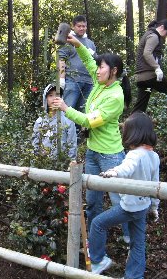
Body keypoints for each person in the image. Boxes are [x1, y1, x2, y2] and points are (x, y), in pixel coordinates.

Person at [52, 34, 132, 242]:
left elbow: (91, 121)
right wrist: (77, 43)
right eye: (97, 68)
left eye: (102, 68)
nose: (97, 70)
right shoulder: (99, 83)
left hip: (111, 155)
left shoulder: (116, 95)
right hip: (93, 151)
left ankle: (129, 236)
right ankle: (94, 239)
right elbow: (89, 60)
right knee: (93, 199)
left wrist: (65, 108)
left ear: (113, 71)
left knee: (118, 199)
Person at [88, 112, 160, 279]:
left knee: (98, 224)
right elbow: (156, 183)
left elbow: (126, 167)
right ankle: (134, 278)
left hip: (129, 206)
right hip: (143, 206)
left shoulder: (135, 154)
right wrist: (155, 207)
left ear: (133, 133)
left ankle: (98, 261)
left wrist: (114, 171)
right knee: (138, 242)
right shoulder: (154, 155)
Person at [132, 19, 167, 113]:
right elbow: (147, 53)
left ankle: (133, 124)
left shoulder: (148, 33)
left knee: (140, 106)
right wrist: (157, 68)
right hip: (149, 77)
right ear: (161, 27)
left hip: (141, 79)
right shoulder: (153, 36)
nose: (166, 36)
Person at [58, 15, 97, 114]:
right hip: (73, 81)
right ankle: (65, 130)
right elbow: (61, 59)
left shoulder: (90, 43)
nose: (81, 28)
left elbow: (96, 60)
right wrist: (61, 79)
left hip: (89, 82)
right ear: (73, 27)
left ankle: (79, 130)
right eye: (79, 26)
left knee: (83, 112)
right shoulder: (68, 40)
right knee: (68, 109)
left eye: (84, 26)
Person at [32, 84, 77, 161]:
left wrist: (71, 162)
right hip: (44, 164)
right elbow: (35, 144)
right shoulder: (39, 121)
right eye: (50, 95)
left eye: (57, 95)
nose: (54, 98)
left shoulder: (68, 121)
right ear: (45, 99)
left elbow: (72, 145)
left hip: (62, 164)